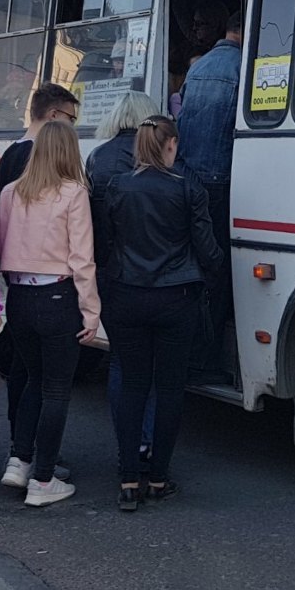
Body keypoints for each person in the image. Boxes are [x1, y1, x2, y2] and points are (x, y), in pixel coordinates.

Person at [98, 116, 224, 510]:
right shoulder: (188, 189)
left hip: (127, 296)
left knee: (132, 385)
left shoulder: (118, 187)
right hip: (176, 297)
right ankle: (159, 477)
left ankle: (127, 479)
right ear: (170, 145)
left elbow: (106, 246)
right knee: (169, 389)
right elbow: (208, 250)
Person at [0, 120, 99, 507]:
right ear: (70, 152)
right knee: (57, 388)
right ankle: (43, 478)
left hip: (19, 297)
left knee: (33, 380)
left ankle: (19, 461)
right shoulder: (74, 193)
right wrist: (91, 313)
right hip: (58, 296)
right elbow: (82, 259)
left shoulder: (9, 192)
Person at [0, 83, 81, 441]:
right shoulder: (40, 159)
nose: (73, 127)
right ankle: (33, 451)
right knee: (44, 381)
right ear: (53, 116)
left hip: (17, 285)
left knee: (22, 369)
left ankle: (20, 444)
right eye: (71, 118)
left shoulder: (10, 154)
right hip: (49, 285)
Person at [86, 91, 160, 461]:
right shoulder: (156, 158)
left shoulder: (97, 158)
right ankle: (148, 441)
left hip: (111, 272)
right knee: (154, 363)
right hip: (156, 274)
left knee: (121, 360)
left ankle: (127, 441)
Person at [174, 11, 242, 384]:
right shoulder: (243, 68)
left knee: (195, 269)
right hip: (221, 183)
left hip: (188, 175)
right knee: (218, 273)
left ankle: (187, 353)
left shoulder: (199, 69)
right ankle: (205, 358)